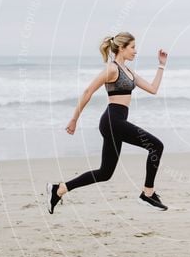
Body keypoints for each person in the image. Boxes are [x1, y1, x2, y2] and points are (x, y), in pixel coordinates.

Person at [46, 32, 168, 213]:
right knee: (156, 146)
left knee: (105, 173)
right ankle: (147, 194)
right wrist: (74, 119)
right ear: (121, 48)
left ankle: (59, 189)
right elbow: (88, 91)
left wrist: (161, 65)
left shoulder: (128, 71)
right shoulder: (112, 69)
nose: (136, 51)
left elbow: (153, 89)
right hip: (113, 121)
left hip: (116, 122)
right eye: (132, 47)